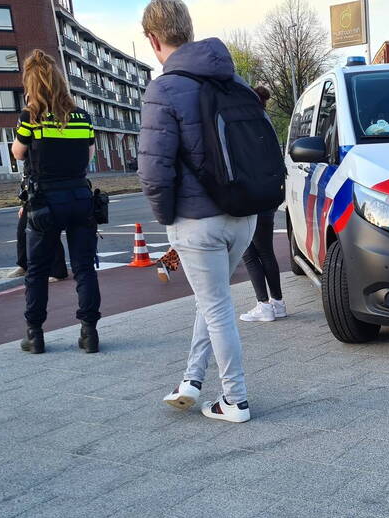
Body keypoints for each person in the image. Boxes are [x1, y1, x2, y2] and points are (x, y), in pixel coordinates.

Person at [138, 0, 254, 423]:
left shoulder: (164, 89)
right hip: (243, 215)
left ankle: (235, 400)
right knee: (213, 302)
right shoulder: (232, 80)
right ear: (187, 29)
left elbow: (154, 169)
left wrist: (169, 217)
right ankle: (190, 380)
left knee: (217, 307)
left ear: (153, 40)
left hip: (196, 220)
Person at [12, 49, 101, 354]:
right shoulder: (82, 116)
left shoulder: (31, 117)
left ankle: (35, 335)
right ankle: (89, 333)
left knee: (37, 271)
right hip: (80, 197)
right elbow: (89, 156)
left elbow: (18, 153)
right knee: (85, 267)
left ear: (31, 84)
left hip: (45, 203)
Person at [239, 85, 286, 323]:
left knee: (249, 253)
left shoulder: (242, 126)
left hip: (249, 196)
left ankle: (263, 305)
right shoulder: (265, 123)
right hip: (268, 194)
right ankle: (278, 303)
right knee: (266, 250)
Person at [9, 165, 68, 281]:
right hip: (32, 196)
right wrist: (24, 203)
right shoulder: (30, 157)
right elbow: (26, 179)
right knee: (22, 231)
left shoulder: (43, 152)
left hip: (49, 194)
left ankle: (58, 271)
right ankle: (24, 265)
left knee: (51, 232)